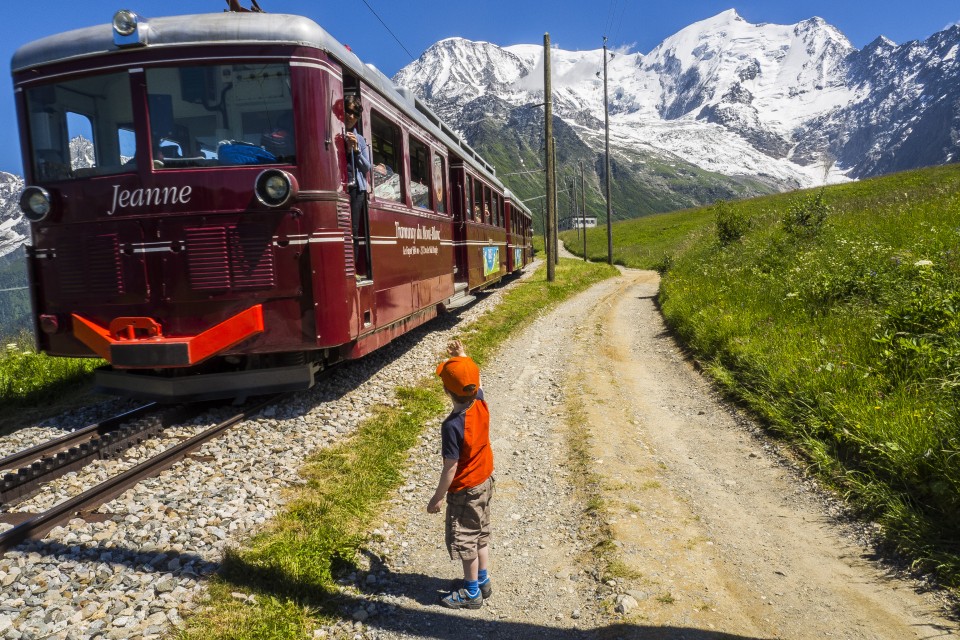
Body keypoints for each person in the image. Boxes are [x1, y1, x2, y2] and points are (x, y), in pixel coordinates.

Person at [427, 339, 495, 609]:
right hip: (485, 480)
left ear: (446, 390)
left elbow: (450, 468)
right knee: (480, 533)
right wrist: (464, 357)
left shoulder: (452, 426)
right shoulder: (479, 401)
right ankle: (483, 580)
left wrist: (437, 497)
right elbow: (479, 383)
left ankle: (471, 593)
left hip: (466, 489)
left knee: (466, 539)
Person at [343, 94, 371, 278]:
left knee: (352, 230)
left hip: (356, 189)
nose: (351, 116)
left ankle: (352, 270)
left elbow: (367, 167)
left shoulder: (359, 139)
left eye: (355, 113)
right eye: (348, 111)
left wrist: (355, 150)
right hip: (341, 186)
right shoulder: (337, 133)